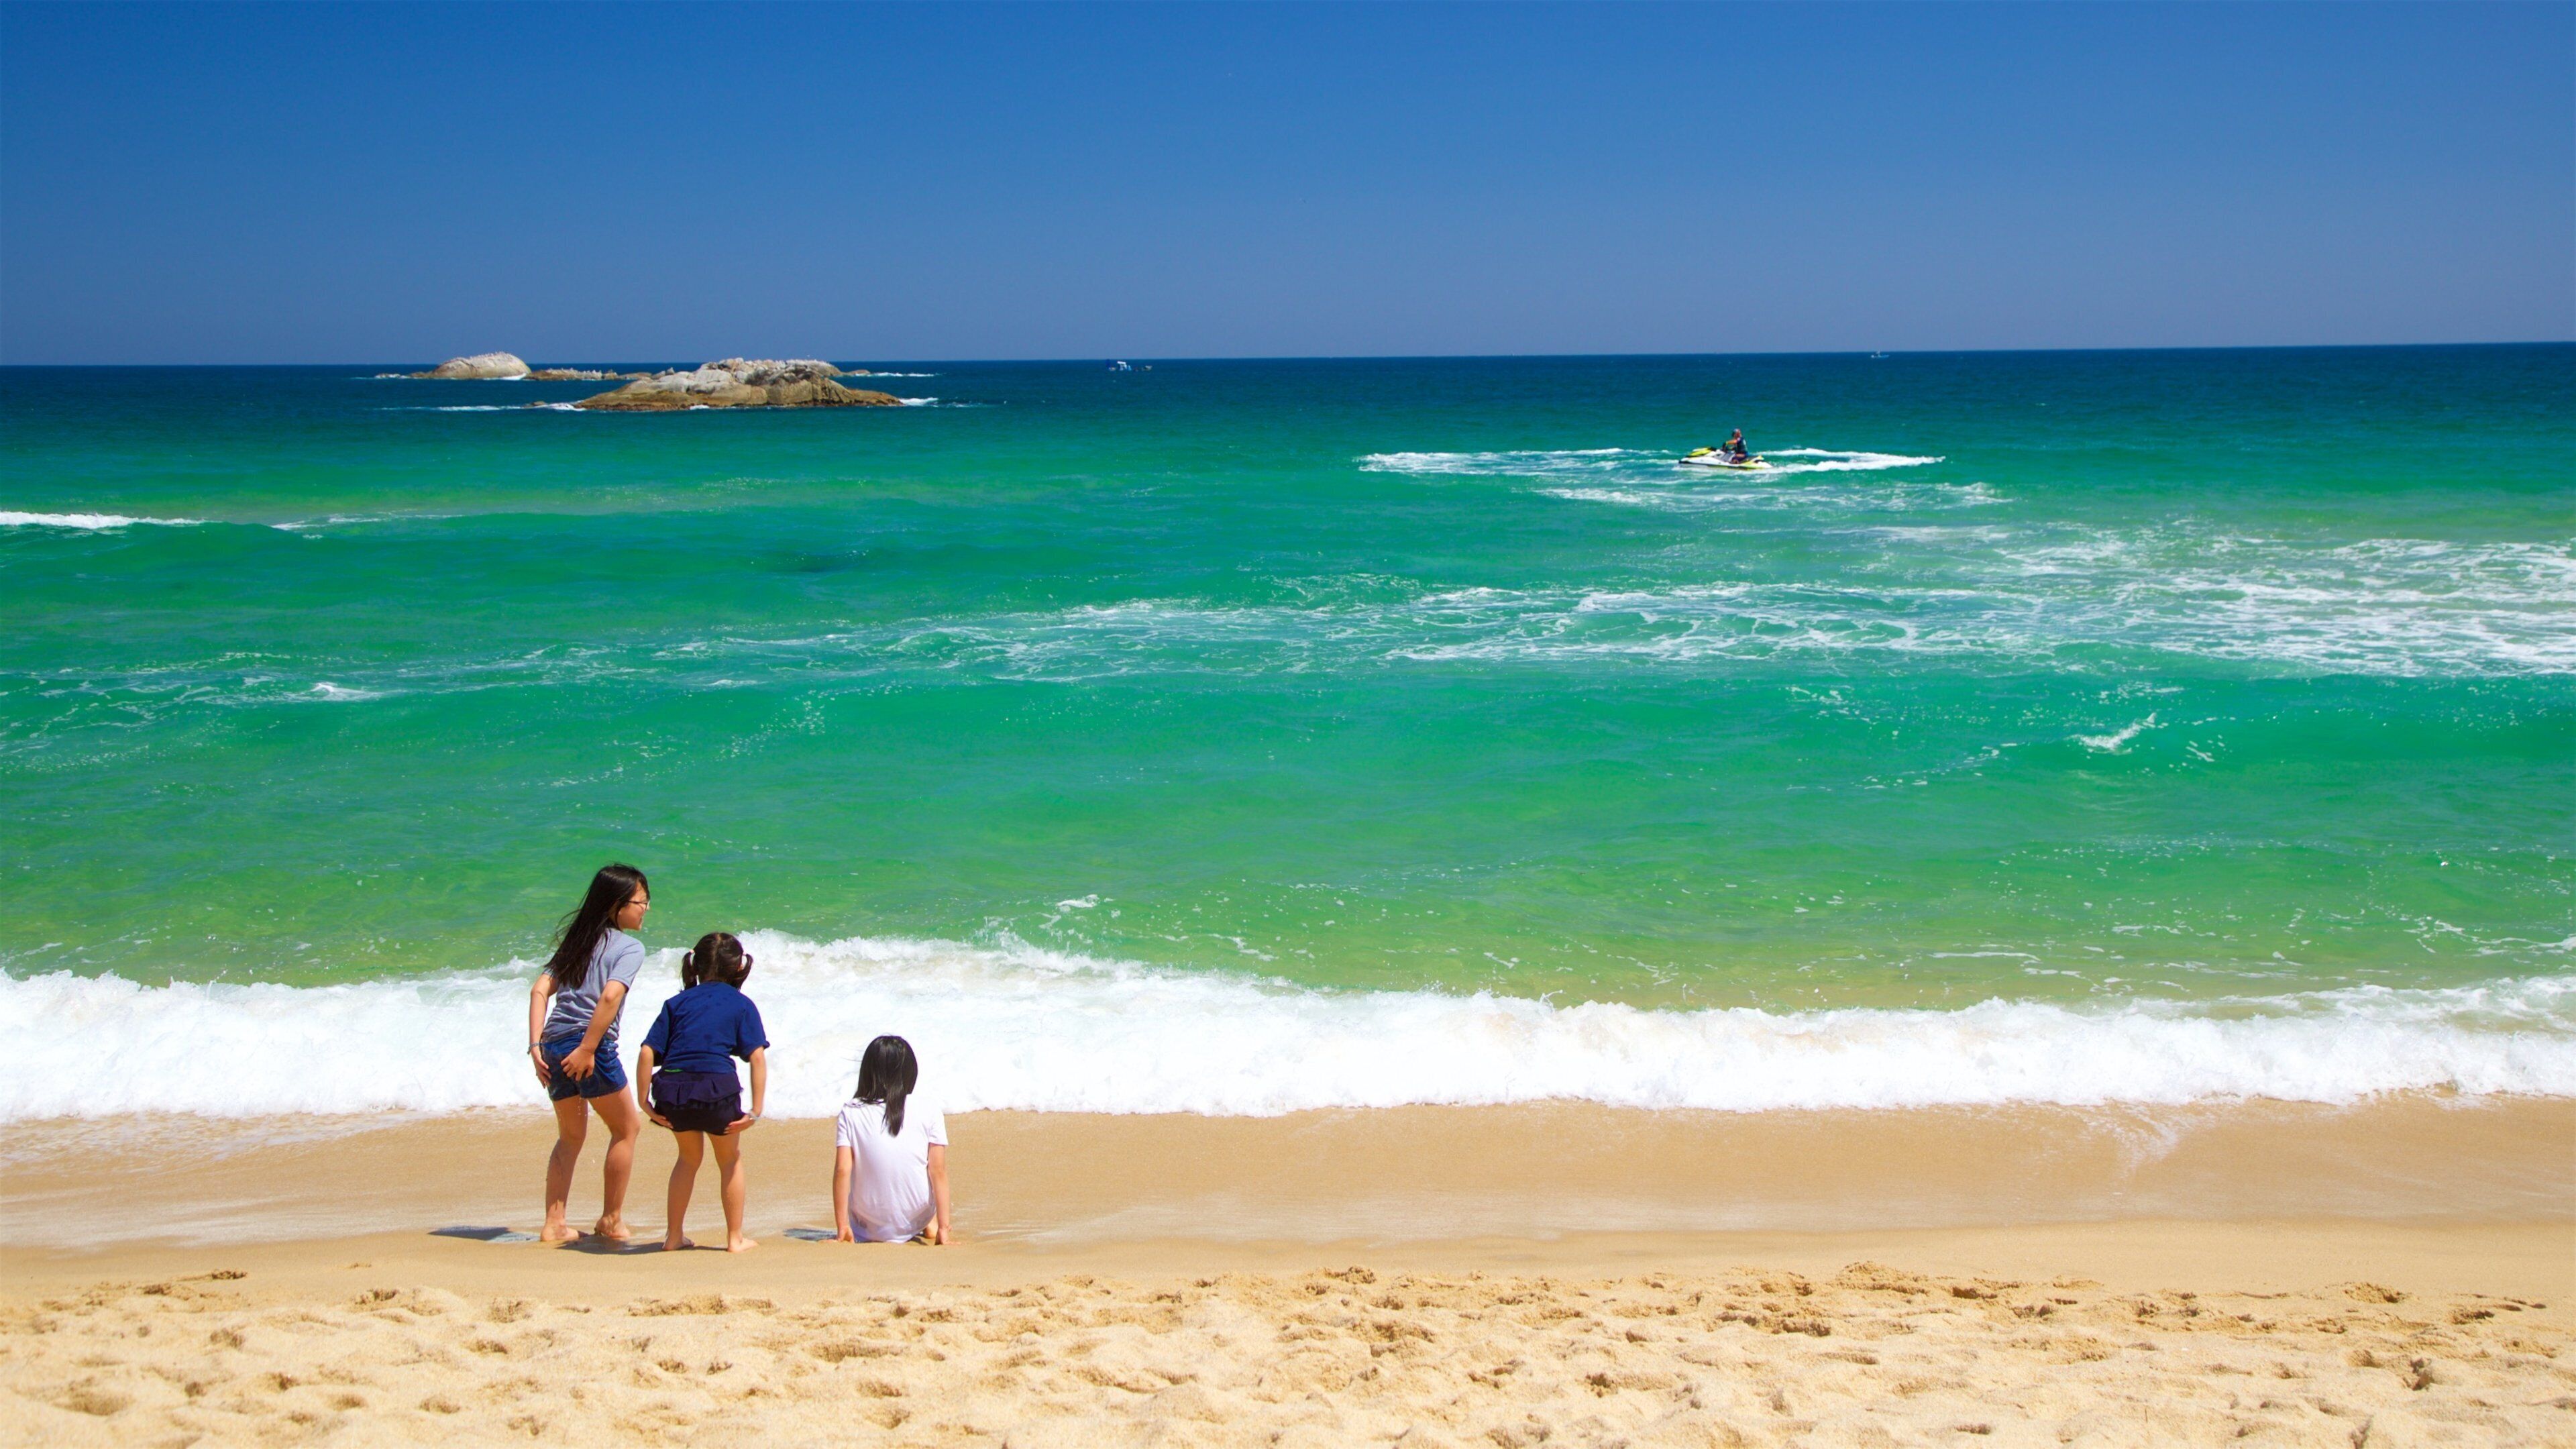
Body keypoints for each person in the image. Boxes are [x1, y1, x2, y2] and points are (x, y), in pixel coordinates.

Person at [527, 863, 651, 1243]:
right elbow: (611, 996)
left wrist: (535, 1047)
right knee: (626, 1127)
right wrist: (587, 1048)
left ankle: (554, 1224)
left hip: (552, 1043)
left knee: (570, 1136)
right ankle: (611, 1220)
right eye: (641, 901)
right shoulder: (630, 947)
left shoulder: (576, 942)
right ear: (618, 905)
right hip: (587, 1045)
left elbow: (539, 991)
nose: (645, 909)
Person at [636, 932, 769, 1253]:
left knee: (687, 1158)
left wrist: (645, 1104)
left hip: (673, 1092)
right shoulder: (741, 1004)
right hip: (717, 1090)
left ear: (696, 964)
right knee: (730, 1160)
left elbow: (646, 1053)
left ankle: (673, 1236)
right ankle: (734, 1238)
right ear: (739, 967)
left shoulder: (676, 1003)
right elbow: (756, 1057)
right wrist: (756, 1111)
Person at [832, 1036, 951, 1245]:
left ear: (868, 1073)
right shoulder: (929, 1109)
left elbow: (843, 1170)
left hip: (867, 1225)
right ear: (910, 1071)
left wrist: (843, 1228)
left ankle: (854, 1228)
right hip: (916, 1217)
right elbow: (937, 1171)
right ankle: (932, 1225)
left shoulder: (851, 1110)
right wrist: (944, 1228)